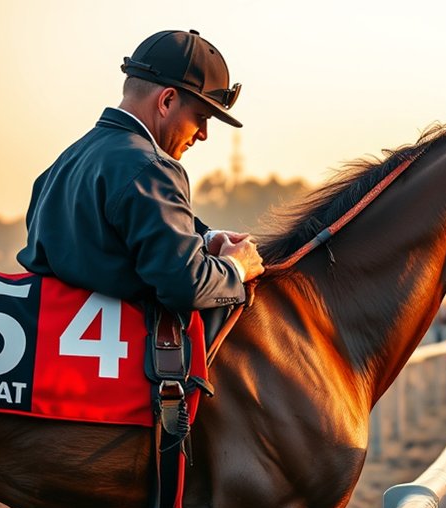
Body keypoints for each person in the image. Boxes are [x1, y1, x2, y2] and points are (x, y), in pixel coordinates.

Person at [17, 30, 264, 314]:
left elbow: (122, 227)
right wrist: (236, 267)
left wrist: (206, 238)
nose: (204, 134)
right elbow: (186, 286)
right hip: (117, 353)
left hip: (52, 342)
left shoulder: (65, 161)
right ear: (167, 101)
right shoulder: (153, 168)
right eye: (201, 117)